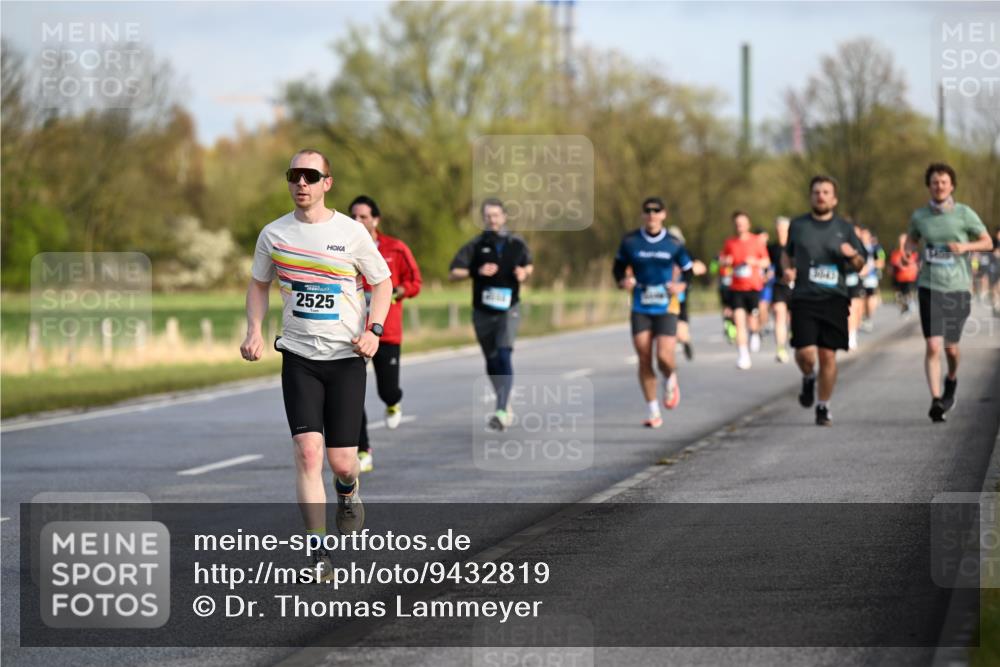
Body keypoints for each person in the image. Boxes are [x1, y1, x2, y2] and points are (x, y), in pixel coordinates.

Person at [240, 149, 392, 578]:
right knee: (308, 453)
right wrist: (254, 330)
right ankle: (318, 551)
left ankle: (348, 491)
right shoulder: (273, 234)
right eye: (294, 175)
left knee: (342, 462)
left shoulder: (352, 233)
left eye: (311, 176)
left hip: (345, 358)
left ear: (327, 182)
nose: (301, 183)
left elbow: (382, 283)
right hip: (299, 357)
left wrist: (373, 330)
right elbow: (258, 284)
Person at [905, 162, 992, 422]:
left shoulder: (965, 214)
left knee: (951, 348)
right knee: (933, 345)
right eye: (934, 182)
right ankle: (935, 400)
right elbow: (912, 238)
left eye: (944, 182)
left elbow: (987, 242)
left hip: (957, 287)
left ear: (952, 185)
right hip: (929, 285)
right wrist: (909, 250)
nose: (939, 186)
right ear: (929, 186)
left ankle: (951, 380)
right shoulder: (920, 216)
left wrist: (964, 248)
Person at [782, 175, 867, 426]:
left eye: (826, 192)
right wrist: (787, 269)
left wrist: (851, 255)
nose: (821, 195)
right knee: (805, 353)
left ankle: (823, 406)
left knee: (828, 356)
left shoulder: (844, 228)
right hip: (804, 297)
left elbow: (861, 264)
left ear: (834, 198)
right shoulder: (798, 226)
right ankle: (808, 377)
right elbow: (787, 255)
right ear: (811, 196)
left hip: (834, 298)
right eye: (816, 192)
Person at [350, 195, 422, 473]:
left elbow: (415, 281)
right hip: (354, 333)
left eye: (363, 217)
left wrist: (402, 290)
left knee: (386, 389)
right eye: (353, 216)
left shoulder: (395, 248)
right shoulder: (341, 247)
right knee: (352, 394)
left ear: (375, 220)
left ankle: (393, 401)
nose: (357, 221)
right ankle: (363, 450)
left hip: (387, 332)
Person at [449, 198, 533, 431]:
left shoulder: (517, 243)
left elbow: (529, 265)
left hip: (509, 309)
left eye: (496, 215)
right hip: (483, 311)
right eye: (488, 216)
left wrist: (523, 273)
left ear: (504, 216)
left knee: (504, 354)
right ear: (483, 218)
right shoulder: (476, 245)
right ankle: (503, 400)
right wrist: (476, 271)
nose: (492, 220)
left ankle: (502, 409)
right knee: (491, 360)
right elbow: (453, 272)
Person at [613, 197, 694, 427]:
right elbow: (617, 267)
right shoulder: (630, 241)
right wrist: (623, 280)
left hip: (666, 305)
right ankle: (653, 411)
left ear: (663, 214)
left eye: (656, 211)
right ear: (643, 215)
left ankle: (670, 379)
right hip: (640, 304)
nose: (651, 215)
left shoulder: (673, 243)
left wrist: (681, 285)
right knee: (644, 356)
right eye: (647, 211)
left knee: (664, 357)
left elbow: (688, 271)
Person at [719, 211, 770, 369]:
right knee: (739, 321)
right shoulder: (730, 243)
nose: (739, 225)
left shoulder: (756, 241)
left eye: (742, 222)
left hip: (753, 287)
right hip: (736, 288)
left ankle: (755, 333)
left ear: (748, 224)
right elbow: (722, 261)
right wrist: (726, 261)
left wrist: (754, 262)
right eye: (737, 223)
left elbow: (766, 262)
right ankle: (743, 355)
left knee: (752, 320)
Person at [667, 225, 707, 360]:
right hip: (663, 297)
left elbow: (701, 267)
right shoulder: (661, 254)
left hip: (680, 297)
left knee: (681, 332)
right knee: (667, 331)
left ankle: (685, 342)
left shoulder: (686, 254)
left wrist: (690, 271)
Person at [767, 216, 793, 362]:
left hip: (795, 287)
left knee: (794, 318)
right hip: (779, 286)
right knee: (779, 315)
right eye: (778, 229)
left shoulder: (796, 247)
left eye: (783, 229)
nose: (780, 232)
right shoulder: (771, 248)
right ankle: (780, 349)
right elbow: (766, 264)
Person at [859, 228, 886, 332]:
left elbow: (882, 260)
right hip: (859, 278)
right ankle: (862, 318)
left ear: (869, 237)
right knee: (860, 299)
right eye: (862, 235)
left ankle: (868, 318)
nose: (863, 238)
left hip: (871, 277)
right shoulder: (857, 247)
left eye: (865, 235)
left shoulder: (876, 248)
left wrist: (870, 267)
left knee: (869, 298)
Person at [889, 233, 918, 315]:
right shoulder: (895, 253)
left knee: (908, 294)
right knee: (898, 297)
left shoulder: (912, 253)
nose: (902, 242)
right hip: (899, 277)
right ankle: (905, 308)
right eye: (900, 240)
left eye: (904, 240)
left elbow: (912, 263)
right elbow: (893, 264)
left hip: (909, 277)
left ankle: (910, 305)